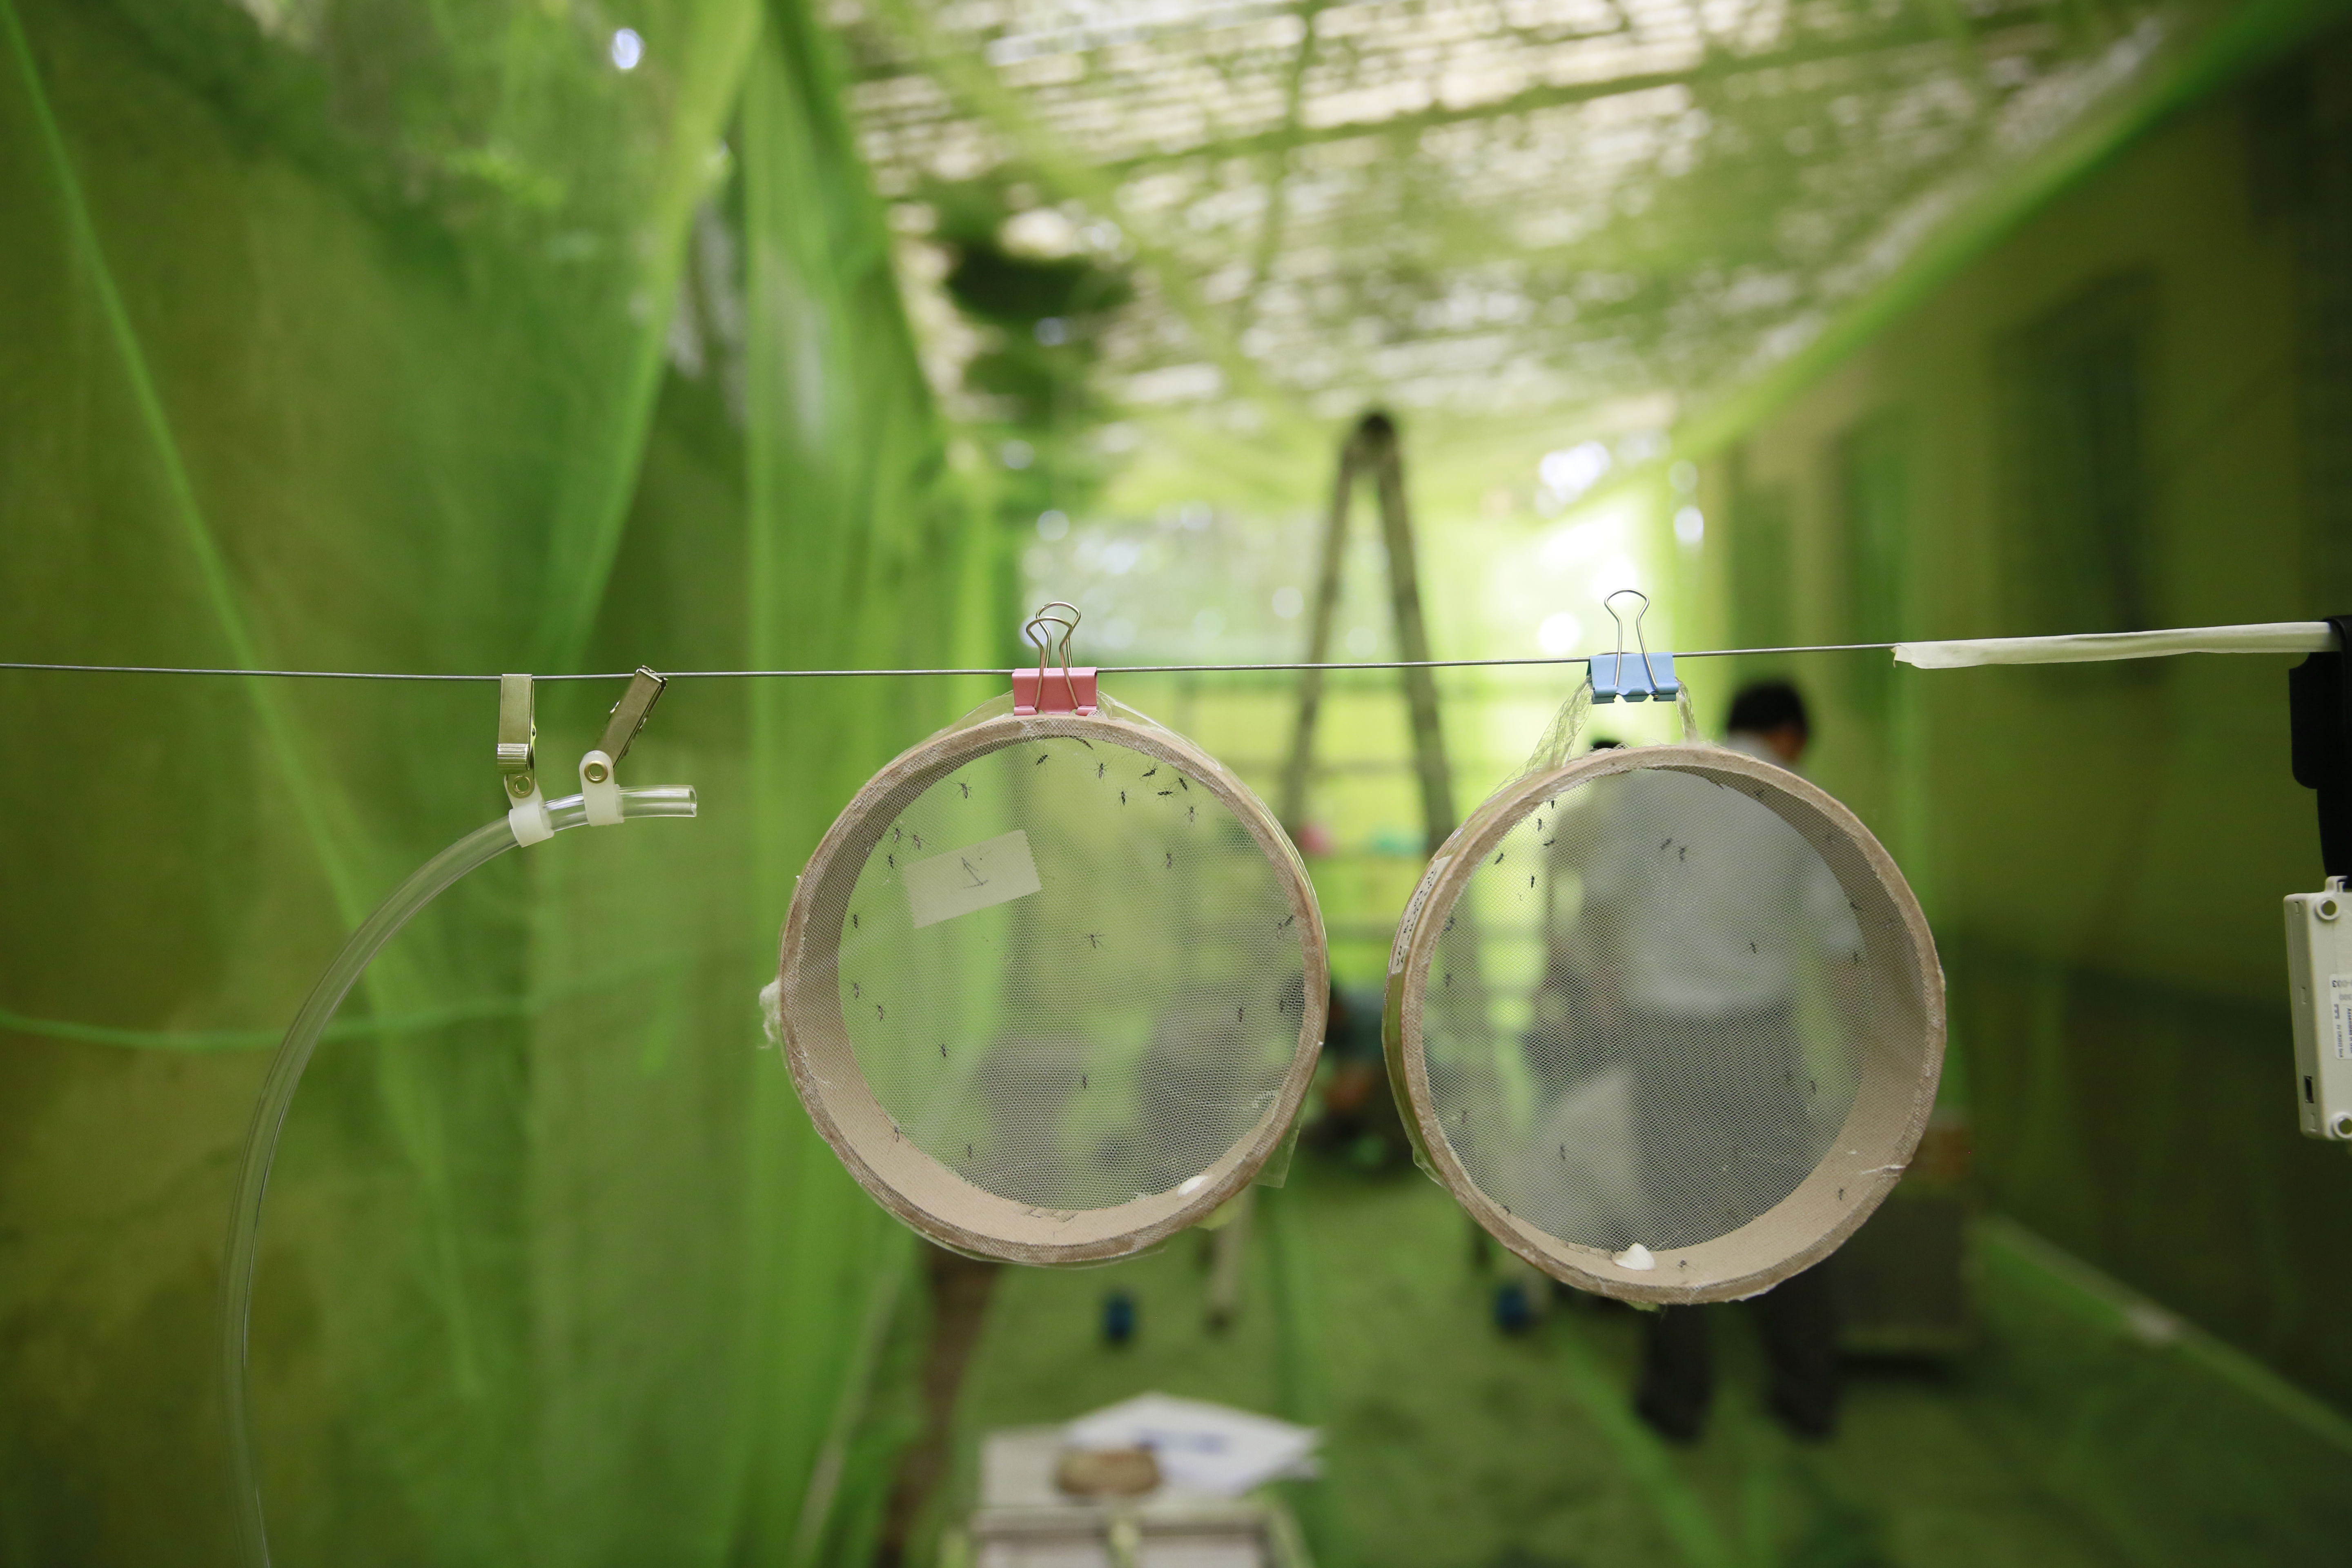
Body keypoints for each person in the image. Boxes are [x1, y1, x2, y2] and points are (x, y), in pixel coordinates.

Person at [1551, 679, 1854, 1443]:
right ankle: (1806, 1393)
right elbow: (1842, 941)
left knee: (1675, 1216)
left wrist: (1607, 991)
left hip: (1665, 1034)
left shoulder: (1659, 787)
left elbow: (1600, 897)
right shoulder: (1797, 797)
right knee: (1787, 1212)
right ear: (1788, 735)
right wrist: (1865, 1062)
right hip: (1759, 1034)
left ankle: (1678, 1400)